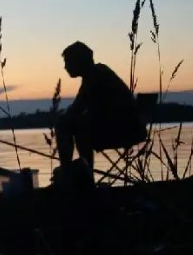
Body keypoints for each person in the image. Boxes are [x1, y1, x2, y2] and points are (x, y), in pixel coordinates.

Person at [54, 41, 147, 184]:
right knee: (79, 130)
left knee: (65, 125)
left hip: (126, 130)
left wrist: (60, 119)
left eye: (68, 62)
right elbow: (80, 109)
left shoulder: (95, 76)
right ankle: (83, 176)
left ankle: (70, 174)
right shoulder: (96, 73)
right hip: (127, 127)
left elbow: (76, 109)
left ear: (79, 61)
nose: (65, 67)